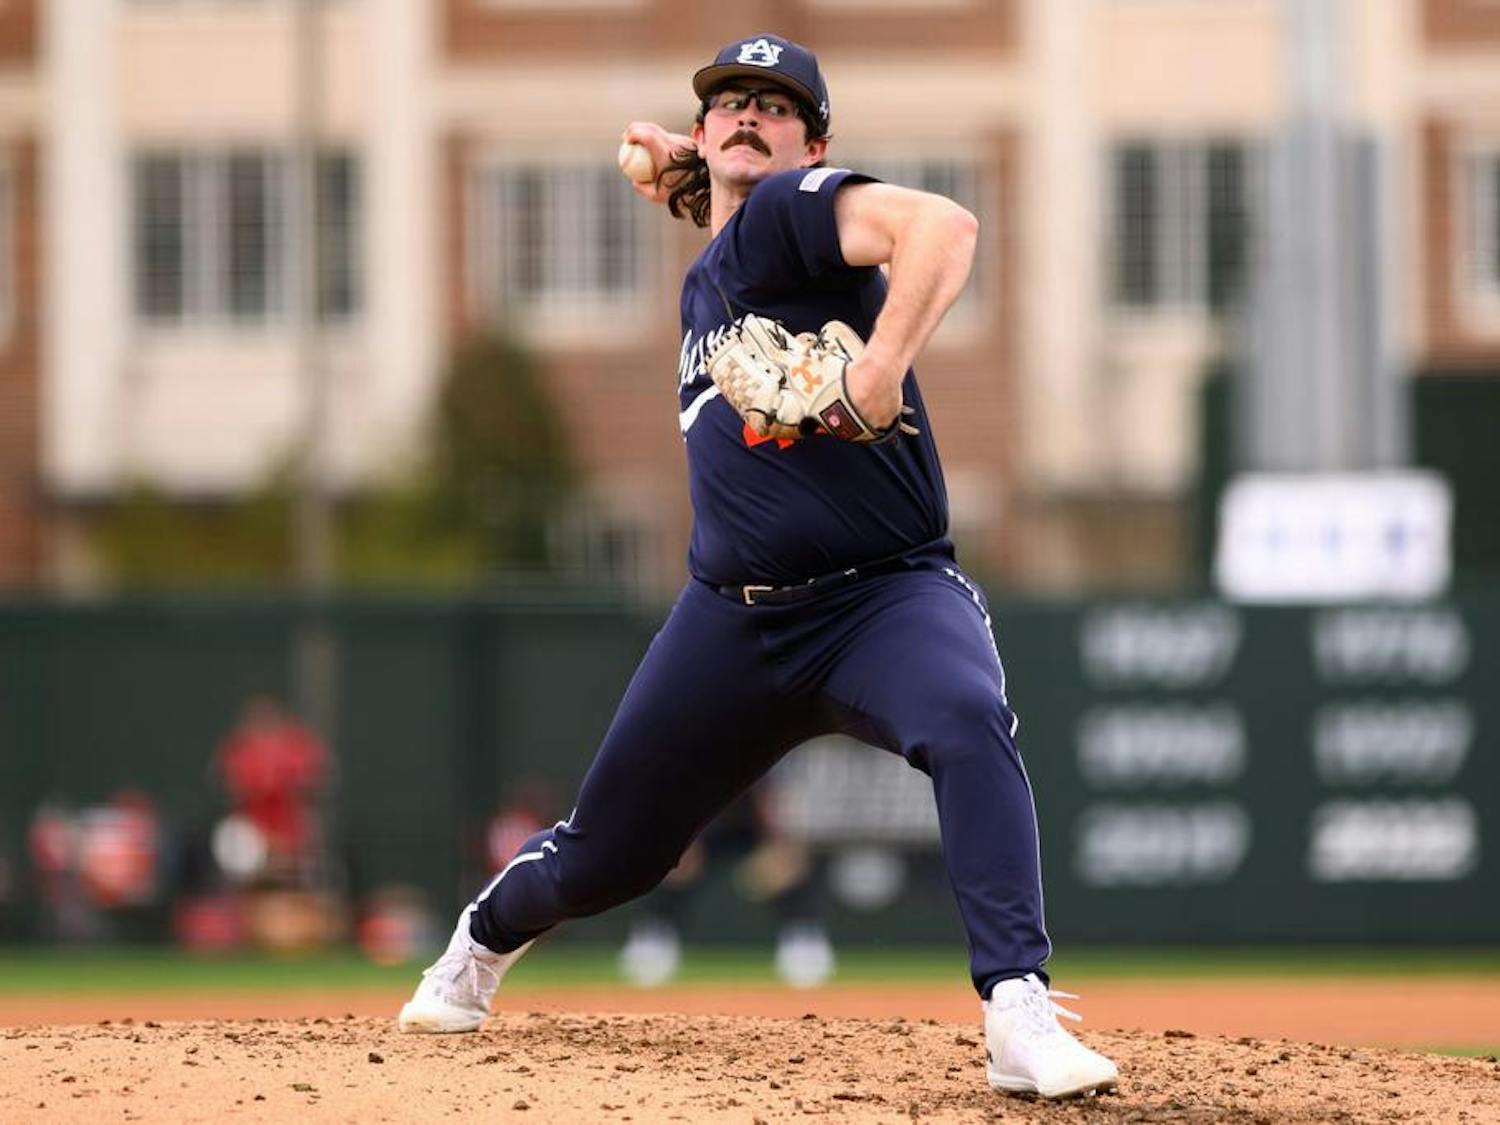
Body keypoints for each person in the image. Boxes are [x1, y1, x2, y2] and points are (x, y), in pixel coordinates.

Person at [399, 32, 1118, 1100]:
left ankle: (1016, 1008)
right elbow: (740, 217)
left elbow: (943, 227)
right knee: (607, 856)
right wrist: (704, 176)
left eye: (776, 106)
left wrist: (879, 368)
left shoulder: (793, 215)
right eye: (728, 102)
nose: (748, 113)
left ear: (815, 145)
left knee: (966, 721)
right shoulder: (719, 267)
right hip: (730, 622)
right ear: (699, 133)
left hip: (884, 596)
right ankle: (480, 944)